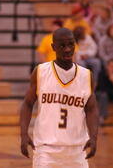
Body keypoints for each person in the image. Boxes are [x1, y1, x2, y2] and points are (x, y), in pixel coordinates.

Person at [20, 28, 99, 168]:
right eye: (62, 46)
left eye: (71, 44)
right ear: (53, 47)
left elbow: (91, 109)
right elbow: (27, 104)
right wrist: (23, 133)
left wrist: (93, 137)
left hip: (77, 149)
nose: (68, 49)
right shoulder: (41, 72)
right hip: (46, 150)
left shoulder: (86, 76)